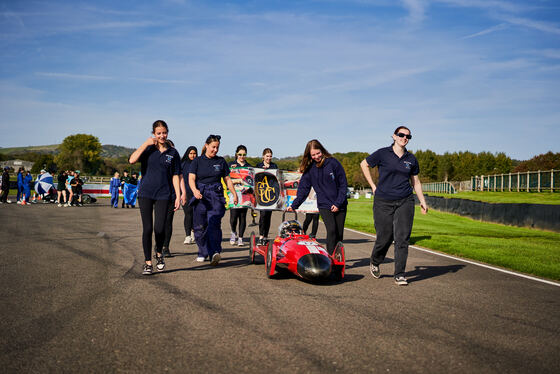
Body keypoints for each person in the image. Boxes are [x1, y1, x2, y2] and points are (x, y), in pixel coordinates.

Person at [360, 125, 428, 286]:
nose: (404, 138)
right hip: (383, 201)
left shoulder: (411, 159)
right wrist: (373, 186)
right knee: (385, 236)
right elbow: (364, 164)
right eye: (401, 135)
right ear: (394, 136)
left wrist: (422, 201)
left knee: (402, 238)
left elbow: (416, 182)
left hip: (405, 200)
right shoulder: (383, 153)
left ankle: (399, 274)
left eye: (408, 137)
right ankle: (375, 260)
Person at [129, 120, 183, 275]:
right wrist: (145, 144)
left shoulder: (173, 153)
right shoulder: (148, 150)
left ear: (167, 132)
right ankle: (147, 263)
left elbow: (175, 176)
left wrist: (178, 195)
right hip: (145, 193)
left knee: (159, 228)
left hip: (164, 194)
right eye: (158, 133)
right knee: (147, 229)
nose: (162, 135)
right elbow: (132, 160)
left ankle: (159, 253)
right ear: (153, 133)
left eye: (164, 132)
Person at [288, 139, 348, 256]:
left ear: (322, 150)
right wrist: (294, 205)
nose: (316, 156)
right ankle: (331, 258)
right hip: (324, 205)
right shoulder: (310, 170)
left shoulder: (333, 163)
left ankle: (338, 257)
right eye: (313, 155)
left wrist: (338, 203)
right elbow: (303, 189)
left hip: (340, 204)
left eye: (318, 153)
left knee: (339, 234)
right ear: (309, 155)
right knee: (331, 230)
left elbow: (343, 184)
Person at [188, 135, 238, 264]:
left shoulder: (221, 161)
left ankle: (215, 252)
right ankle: (203, 252)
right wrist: (194, 190)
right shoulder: (197, 161)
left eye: (217, 147)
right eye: (213, 147)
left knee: (214, 223)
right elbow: (191, 178)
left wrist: (234, 194)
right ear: (206, 145)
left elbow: (227, 179)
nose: (215, 150)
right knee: (199, 226)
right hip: (201, 195)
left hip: (216, 195)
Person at [228, 145, 252, 246]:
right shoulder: (231, 164)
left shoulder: (248, 166)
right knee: (233, 217)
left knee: (243, 216)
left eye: (244, 154)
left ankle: (241, 238)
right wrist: (230, 170)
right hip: (234, 193)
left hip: (245, 194)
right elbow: (227, 178)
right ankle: (233, 232)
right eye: (240, 154)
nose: (242, 156)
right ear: (236, 154)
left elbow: (251, 180)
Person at [255, 147, 278, 245]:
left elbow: (276, 178)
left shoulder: (274, 166)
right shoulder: (259, 165)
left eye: (270, 156)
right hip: (261, 194)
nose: (269, 158)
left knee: (268, 216)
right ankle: (260, 236)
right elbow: (255, 177)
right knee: (262, 215)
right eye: (267, 156)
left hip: (271, 194)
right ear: (263, 156)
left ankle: (265, 236)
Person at [181, 146, 198, 245]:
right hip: (186, 193)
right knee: (188, 214)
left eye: (194, 153)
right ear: (187, 154)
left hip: (196, 193)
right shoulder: (182, 164)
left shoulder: (198, 163)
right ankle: (187, 235)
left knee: (195, 214)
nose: (192, 155)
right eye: (191, 153)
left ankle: (193, 233)